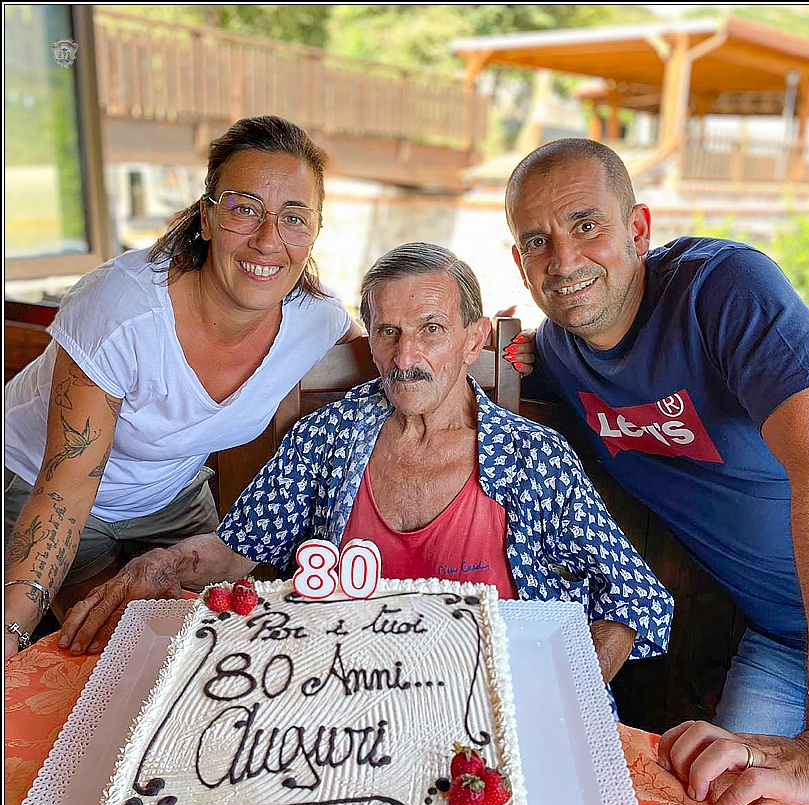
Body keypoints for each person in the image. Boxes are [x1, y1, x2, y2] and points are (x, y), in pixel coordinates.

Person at [60, 244, 673, 691]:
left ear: (473, 339)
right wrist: (159, 564)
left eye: (432, 330)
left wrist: (566, 696)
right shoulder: (329, 438)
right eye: (388, 332)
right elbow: (233, 549)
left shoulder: (533, 459)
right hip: (339, 712)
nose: (406, 358)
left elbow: (637, 599)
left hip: (491, 709)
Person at [504, 138, 809, 805]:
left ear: (638, 230)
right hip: (781, 639)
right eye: (537, 241)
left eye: (586, 225)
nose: (563, 260)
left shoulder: (721, 289)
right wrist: (489, 349)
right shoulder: (559, 352)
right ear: (520, 262)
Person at [4, 115, 365, 662]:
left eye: (294, 217)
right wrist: (10, 631)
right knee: (108, 650)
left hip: (171, 501)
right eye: (244, 209)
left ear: (314, 230)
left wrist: (507, 352)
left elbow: (392, 354)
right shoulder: (122, 310)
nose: (268, 240)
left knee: (199, 654)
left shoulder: (316, 322)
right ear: (206, 218)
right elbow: (66, 489)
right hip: (39, 486)